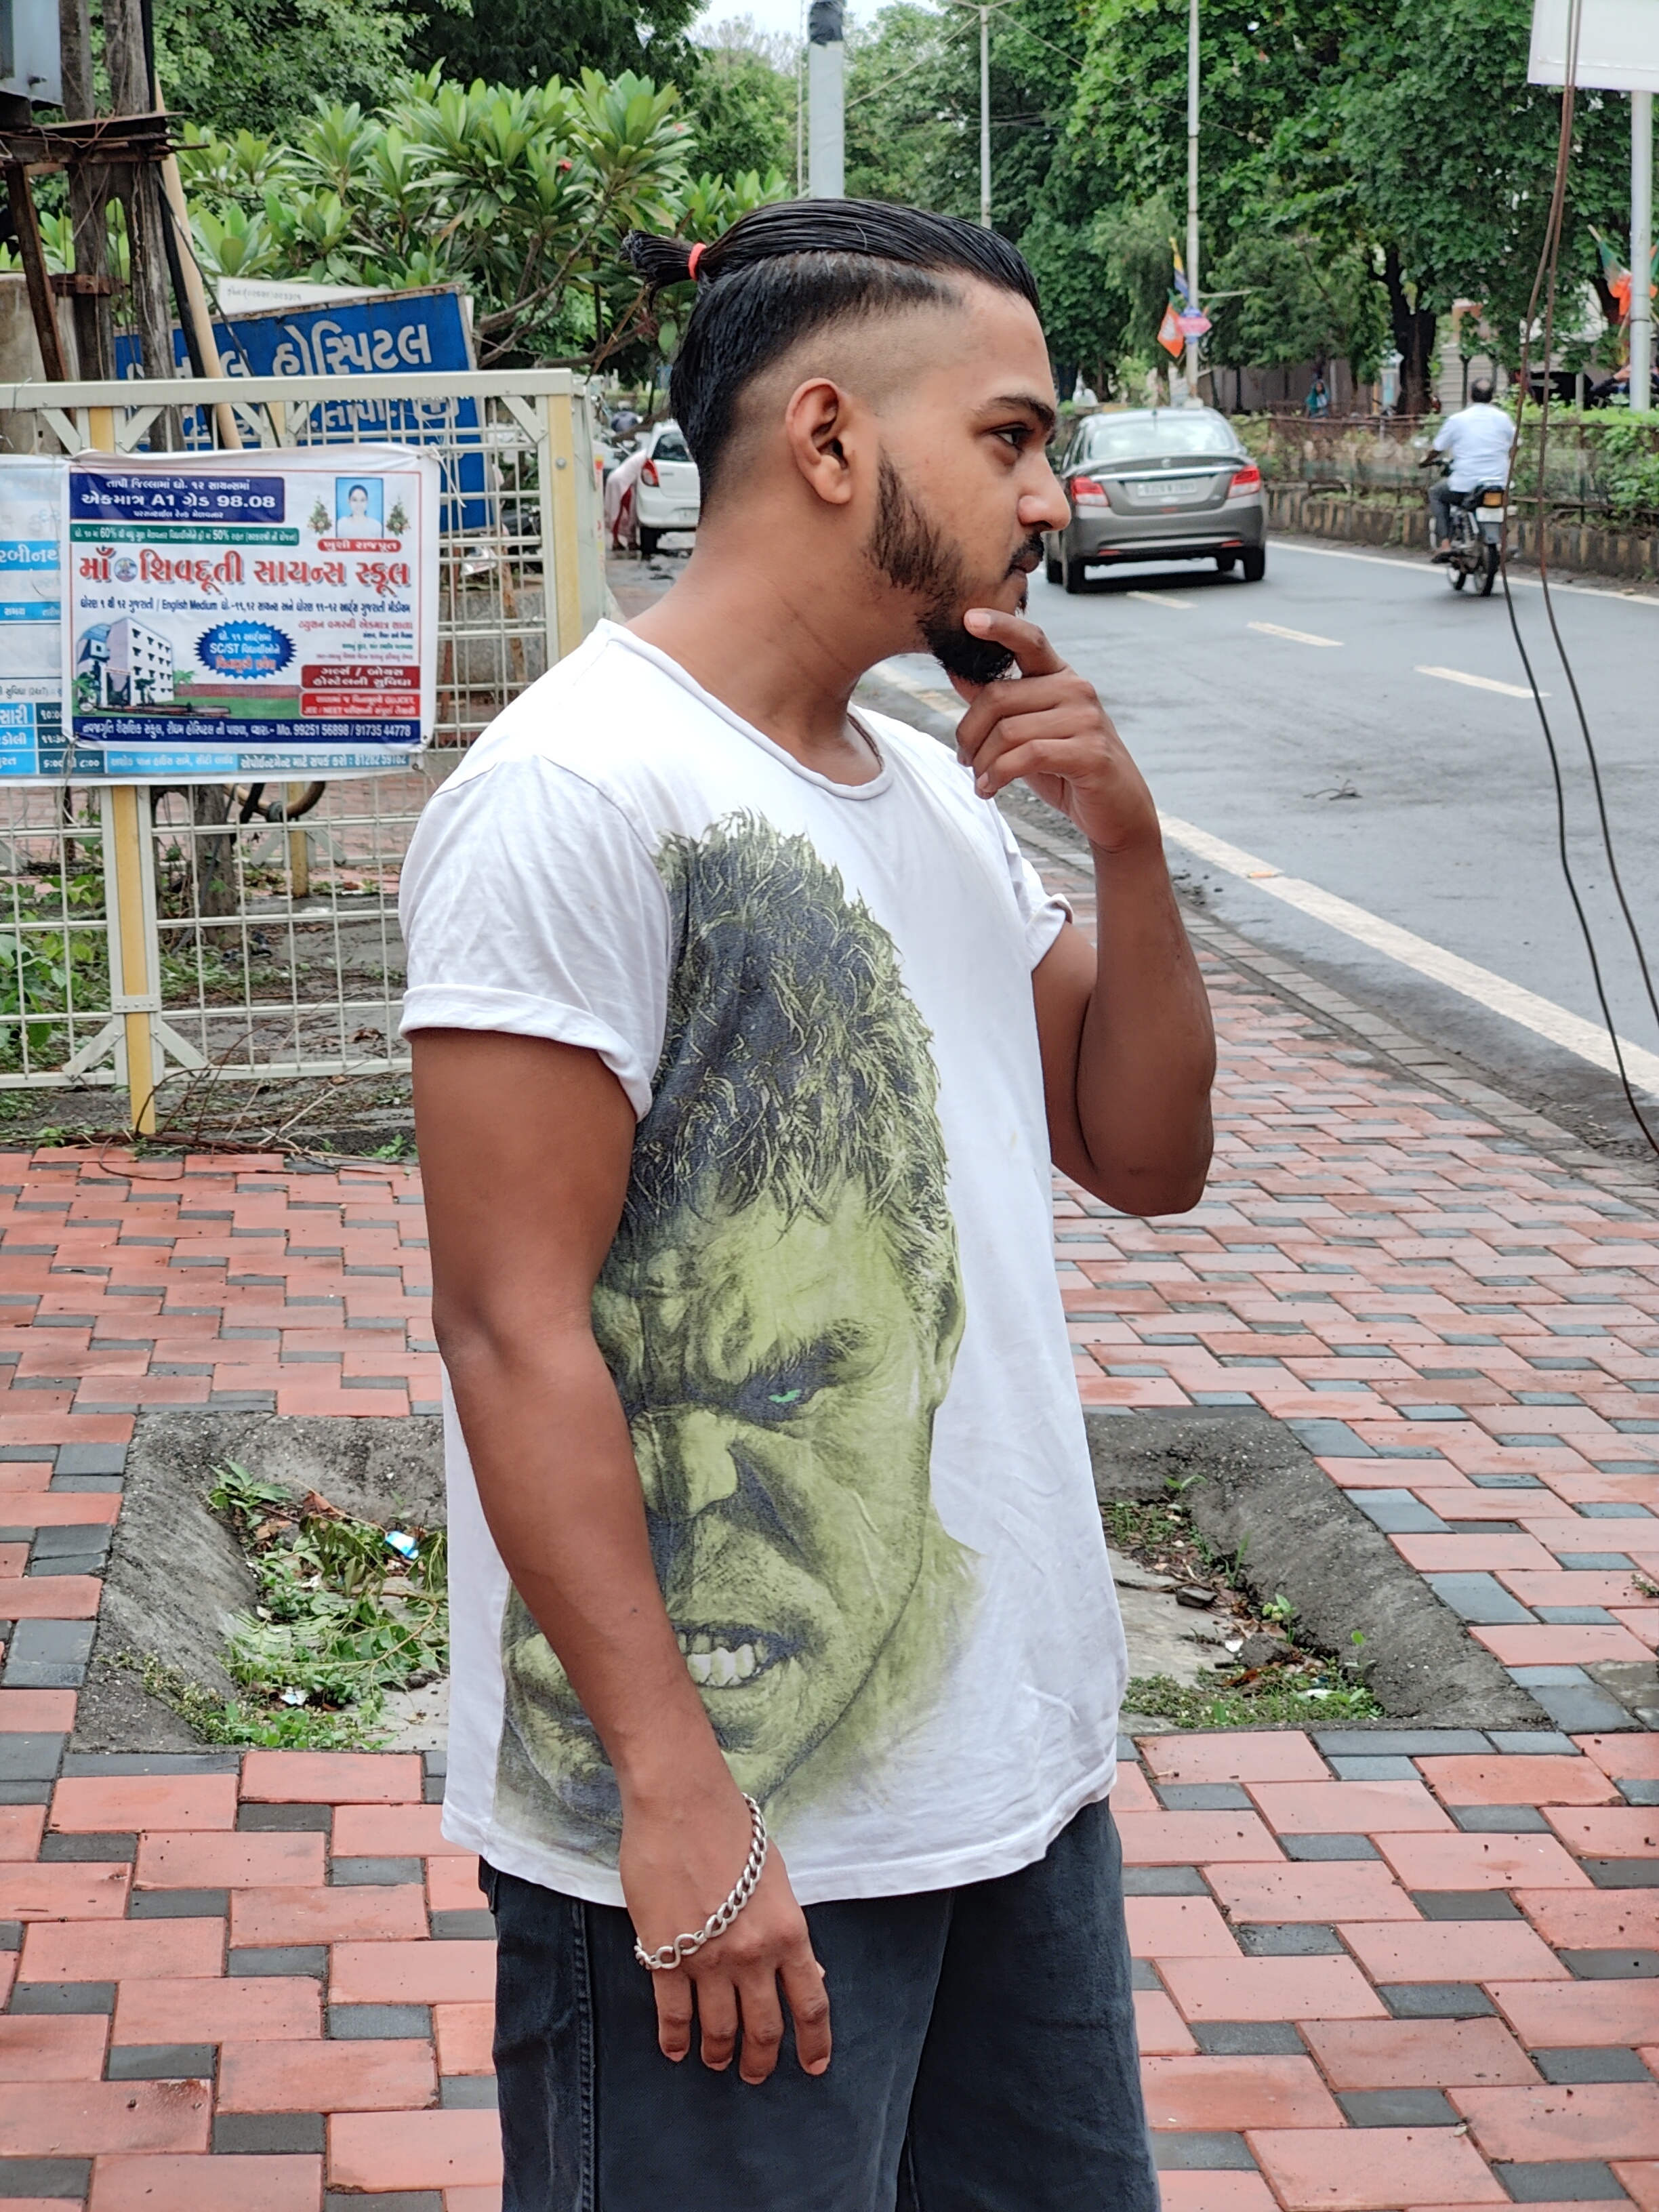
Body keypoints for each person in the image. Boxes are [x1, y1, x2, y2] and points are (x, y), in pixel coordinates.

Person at [401, 199, 1216, 2212]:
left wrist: (1124, 845)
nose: (1049, 496)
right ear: (832, 437)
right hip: (726, 1841)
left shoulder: (925, 787)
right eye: (1011, 437)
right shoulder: (575, 795)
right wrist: (676, 1794)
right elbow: (511, 1324)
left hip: (1008, 1794)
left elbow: (1143, 1154)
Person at [1425, 376, 1515, 558]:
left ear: (1470, 395)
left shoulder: (1457, 420)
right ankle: (1506, 543)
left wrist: (1426, 460)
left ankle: (1445, 544)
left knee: (1436, 493)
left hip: (1466, 483)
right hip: (1499, 482)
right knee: (1507, 507)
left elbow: (1437, 448)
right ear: (1492, 396)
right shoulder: (1504, 419)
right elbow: (1515, 445)